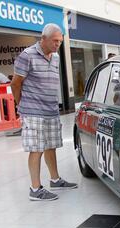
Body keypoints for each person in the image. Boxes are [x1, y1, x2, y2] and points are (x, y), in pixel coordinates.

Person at [11, 24, 77, 201]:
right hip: (33, 111)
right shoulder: (27, 55)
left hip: (51, 110)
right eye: (55, 41)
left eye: (60, 41)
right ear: (43, 38)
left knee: (50, 146)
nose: (58, 45)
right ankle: (35, 189)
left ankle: (55, 179)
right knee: (36, 148)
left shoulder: (55, 57)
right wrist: (22, 106)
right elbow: (15, 84)